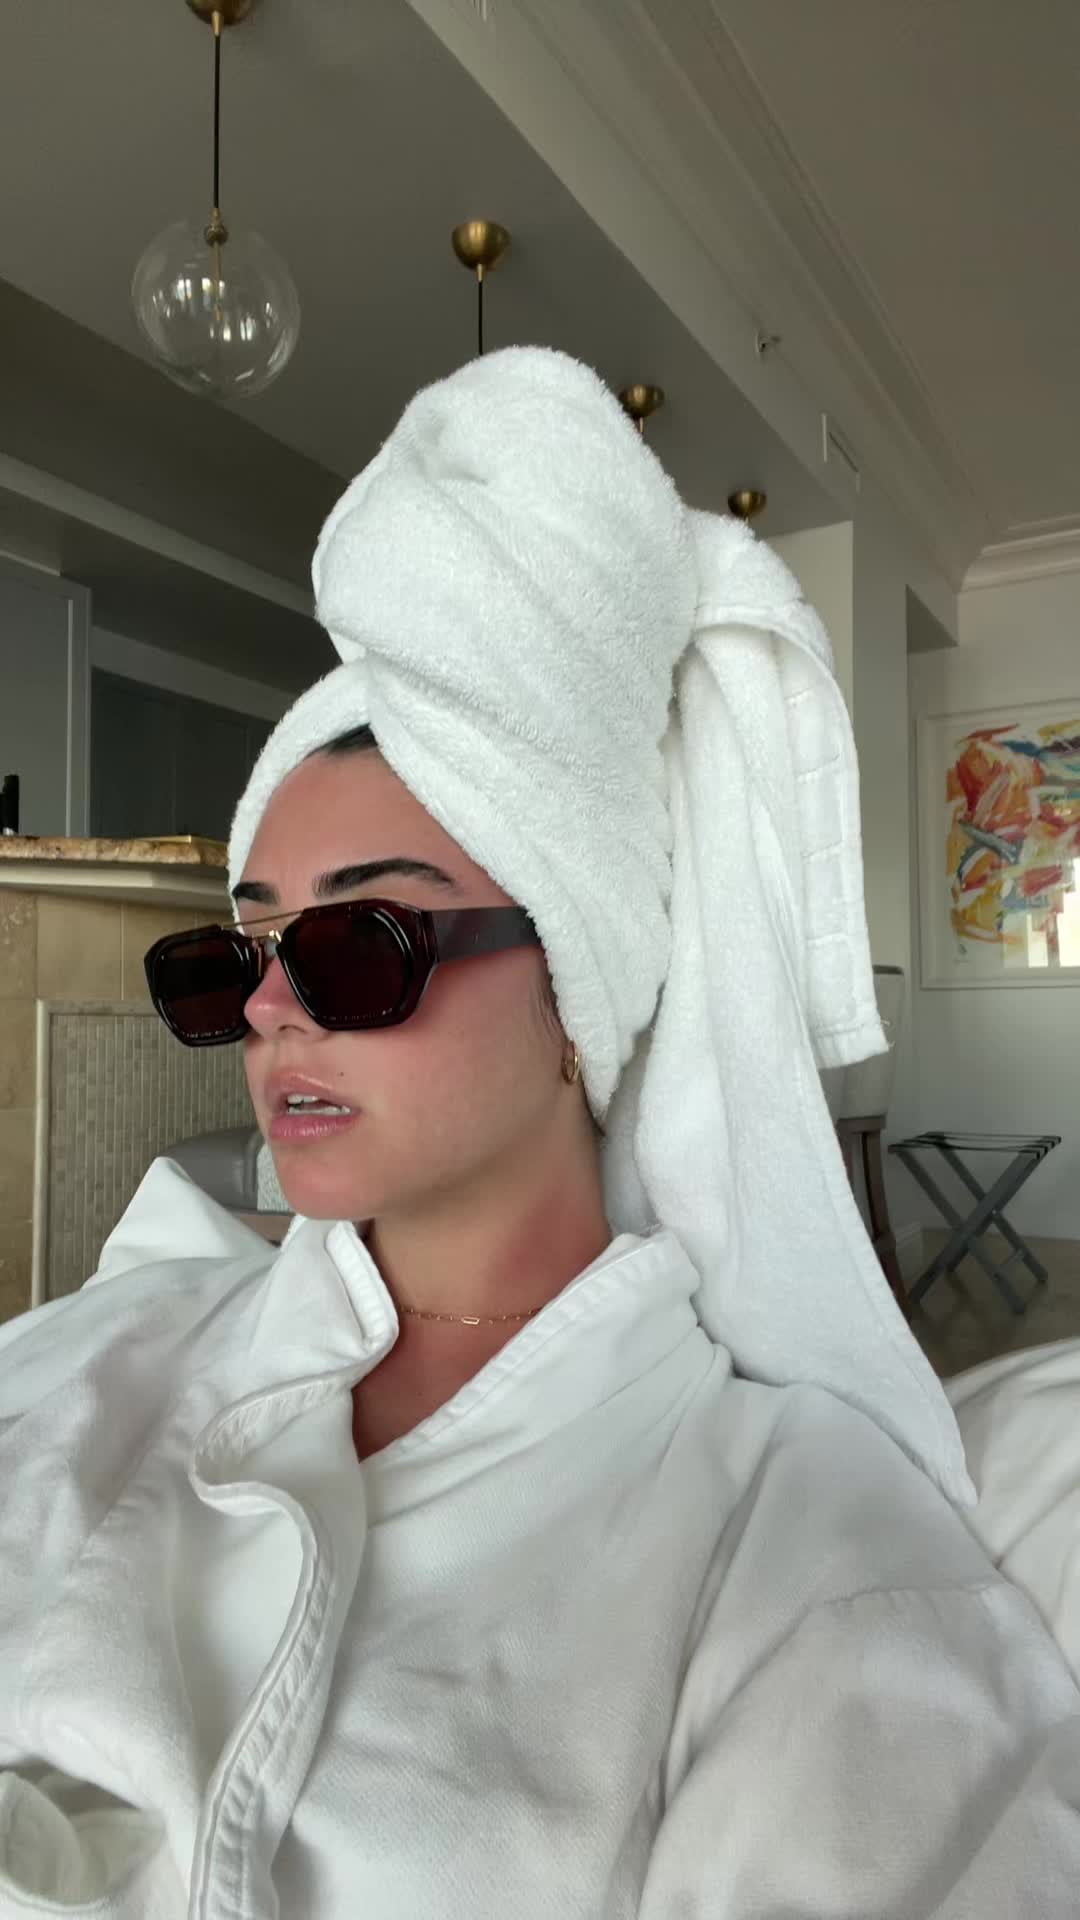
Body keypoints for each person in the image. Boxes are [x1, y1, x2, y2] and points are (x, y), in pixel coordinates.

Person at [1, 348, 1079, 1918]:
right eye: (237, 953)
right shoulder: (96, 1353)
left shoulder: (789, 1534)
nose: (269, 1011)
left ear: (578, 994)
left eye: (359, 942)